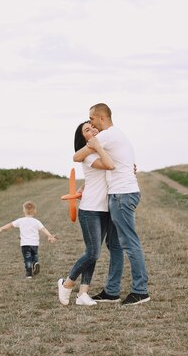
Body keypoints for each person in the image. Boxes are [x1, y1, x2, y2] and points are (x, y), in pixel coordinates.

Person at [73, 102, 150, 306]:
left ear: (101, 118)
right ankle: (112, 291)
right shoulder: (116, 135)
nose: (91, 123)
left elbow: (77, 156)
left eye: (91, 119)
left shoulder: (105, 136)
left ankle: (140, 291)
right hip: (120, 194)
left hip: (122, 195)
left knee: (129, 243)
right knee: (115, 244)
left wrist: (89, 148)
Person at [57, 121, 120, 306]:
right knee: (93, 252)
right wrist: (95, 145)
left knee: (92, 252)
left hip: (105, 209)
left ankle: (83, 293)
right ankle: (67, 284)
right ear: (83, 138)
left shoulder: (102, 149)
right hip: (90, 210)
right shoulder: (88, 155)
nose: (92, 130)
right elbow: (108, 165)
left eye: (93, 127)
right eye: (87, 130)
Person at [0, 201, 57, 278]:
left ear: (24, 210)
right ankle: (35, 263)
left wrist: (1, 229)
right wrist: (49, 235)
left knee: (27, 259)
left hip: (25, 244)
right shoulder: (36, 221)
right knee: (34, 255)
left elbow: (10, 225)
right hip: (34, 243)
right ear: (35, 211)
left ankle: (29, 273)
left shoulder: (20, 220)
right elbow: (43, 229)